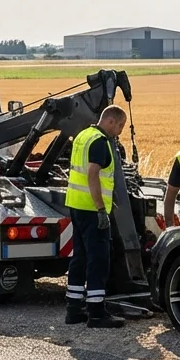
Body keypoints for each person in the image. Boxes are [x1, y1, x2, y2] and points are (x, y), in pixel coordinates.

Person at [62, 105, 128, 328]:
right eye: (120, 126)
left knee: (79, 257)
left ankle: (74, 309)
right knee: (98, 259)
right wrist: (101, 208)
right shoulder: (100, 142)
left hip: (76, 205)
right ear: (110, 121)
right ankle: (97, 312)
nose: (119, 131)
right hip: (92, 209)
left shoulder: (83, 135)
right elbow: (92, 175)